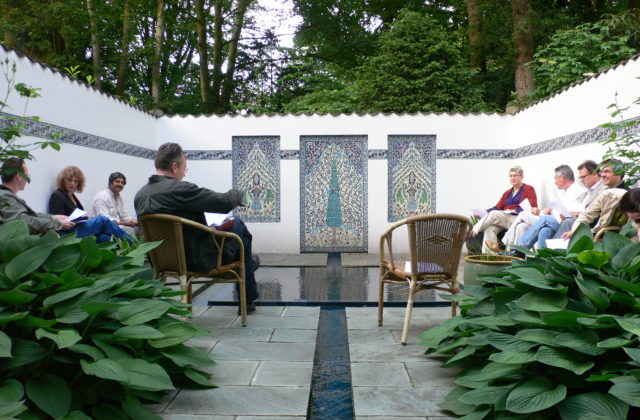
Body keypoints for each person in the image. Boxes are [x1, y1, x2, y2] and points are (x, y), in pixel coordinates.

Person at [134, 142, 259, 314]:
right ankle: (248, 295)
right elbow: (223, 203)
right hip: (196, 258)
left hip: (160, 260)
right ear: (174, 166)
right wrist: (237, 193)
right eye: (185, 169)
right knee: (237, 225)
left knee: (236, 239)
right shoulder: (180, 189)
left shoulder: (141, 194)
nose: (185, 174)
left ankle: (249, 265)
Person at [509, 160, 606, 252]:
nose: (581, 180)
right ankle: (542, 260)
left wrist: (543, 212)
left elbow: (577, 211)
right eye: (580, 178)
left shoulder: (580, 190)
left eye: (583, 177)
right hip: (567, 219)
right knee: (543, 230)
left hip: (574, 222)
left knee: (534, 216)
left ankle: (517, 248)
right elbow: (570, 210)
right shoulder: (583, 191)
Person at [492, 164, 584, 253]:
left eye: (555, 178)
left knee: (528, 215)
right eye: (511, 176)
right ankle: (542, 259)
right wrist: (546, 211)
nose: (555, 181)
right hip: (555, 221)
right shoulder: (564, 193)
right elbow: (560, 212)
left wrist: (545, 211)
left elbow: (568, 214)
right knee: (544, 231)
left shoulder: (577, 191)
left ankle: (515, 248)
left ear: (562, 178)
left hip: (565, 224)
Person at [48, 165, 132, 243]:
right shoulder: (58, 195)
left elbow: (77, 216)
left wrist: (87, 217)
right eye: (70, 180)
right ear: (63, 180)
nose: (72, 183)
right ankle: (135, 244)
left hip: (79, 228)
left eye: (76, 181)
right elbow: (58, 221)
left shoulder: (72, 196)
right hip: (67, 232)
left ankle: (130, 251)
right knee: (102, 219)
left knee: (106, 237)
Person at [468, 166, 538, 254]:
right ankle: (490, 255)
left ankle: (473, 232)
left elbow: (532, 206)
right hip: (506, 219)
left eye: (516, 175)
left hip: (517, 218)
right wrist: (485, 212)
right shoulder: (507, 193)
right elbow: (498, 206)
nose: (513, 178)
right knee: (490, 228)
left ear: (521, 177)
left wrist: (513, 210)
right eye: (511, 176)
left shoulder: (528, 189)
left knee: (494, 214)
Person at [560, 159, 629, 241]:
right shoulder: (605, 193)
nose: (602, 175)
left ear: (619, 173)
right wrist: (574, 230)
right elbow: (588, 214)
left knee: (567, 223)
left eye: (606, 171)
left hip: (611, 238)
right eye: (601, 172)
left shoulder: (628, 194)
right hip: (597, 234)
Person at [0, 158, 75, 233]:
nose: (27, 179)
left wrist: (52, 217)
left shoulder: (7, 195)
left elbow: (29, 216)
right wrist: (57, 223)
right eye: (26, 175)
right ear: (18, 176)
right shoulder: (4, 196)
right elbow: (21, 221)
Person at [91, 172, 138, 236]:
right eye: (117, 181)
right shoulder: (102, 197)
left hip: (116, 227)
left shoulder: (119, 197)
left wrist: (135, 220)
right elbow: (105, 221)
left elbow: (123, 216)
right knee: (130, 230)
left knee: (139, 228)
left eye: (122, 183)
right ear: (110, 183)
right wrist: (126, 223)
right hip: (103, 230)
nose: (120, 184)